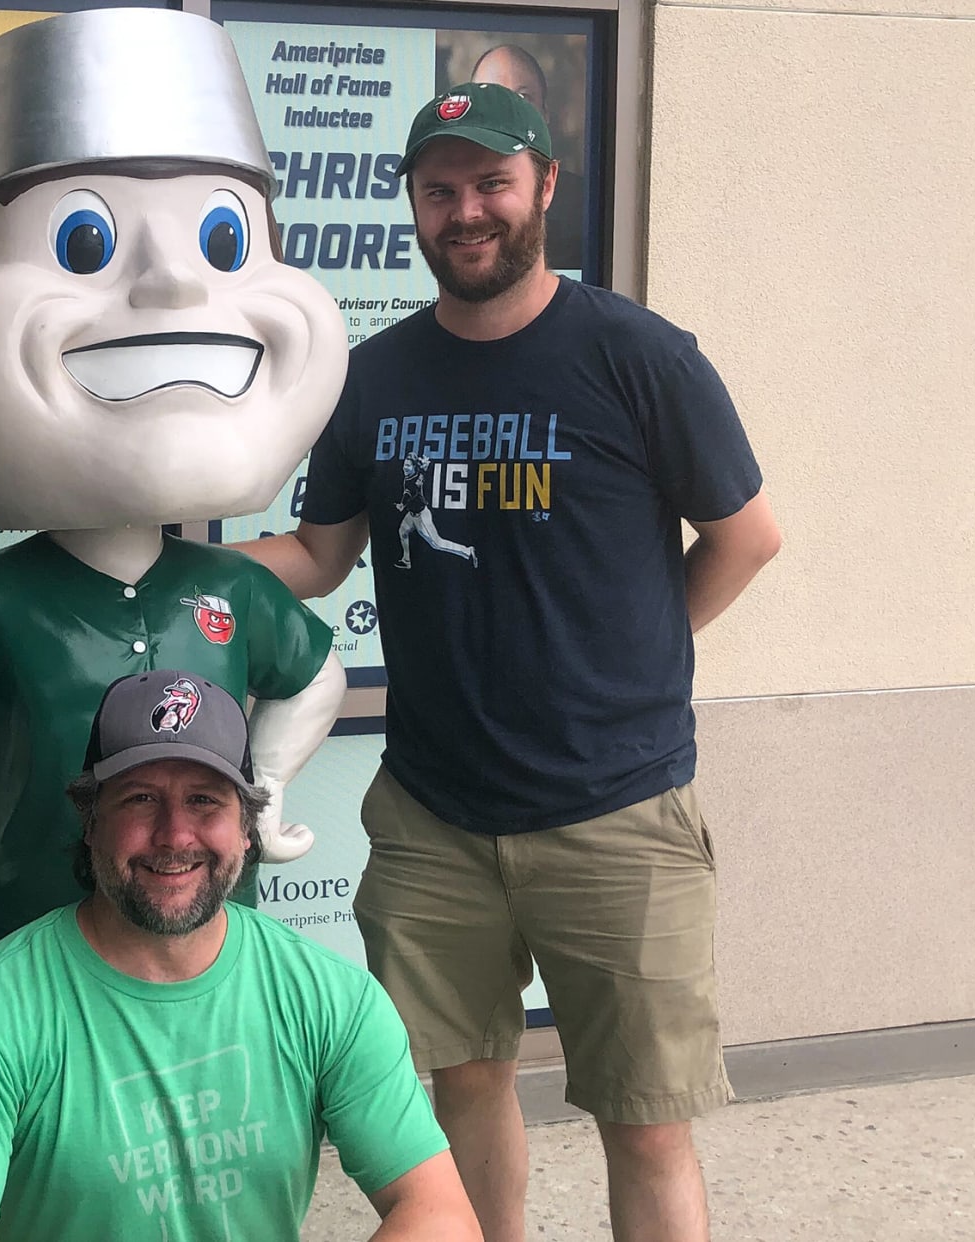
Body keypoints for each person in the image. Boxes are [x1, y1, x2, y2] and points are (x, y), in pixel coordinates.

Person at [244, 83, 782, 1242]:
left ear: (543, 185)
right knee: (463, 1084)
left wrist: (636, 652)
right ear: (416, 209)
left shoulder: (637, 355)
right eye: (439, 191)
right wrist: (183, 576)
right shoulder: (375, 378)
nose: (466, 211)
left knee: (646, 1121)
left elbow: (746, 537)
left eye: (490, 182)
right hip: (438, 814)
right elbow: (323, 552)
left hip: (618, 811)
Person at [0, 7, 352, 958]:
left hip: (204, 936)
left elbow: (316, 675)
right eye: (83, 242)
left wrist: (270, 782)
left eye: (221, 239)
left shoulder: (233, 589)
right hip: (30, 934)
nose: (172, 286)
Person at [0, 671, 480, 1242]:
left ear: (247, 828)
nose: (174, 835)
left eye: (204, 800)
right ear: (90, 823)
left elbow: (439, 1215)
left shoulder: (329, 997)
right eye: (141, 799)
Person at [469, 46, 586, 274]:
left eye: (523, 97)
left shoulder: (582, 205)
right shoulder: (446, 203)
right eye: (490, 97)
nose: (507, 113)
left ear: (545, 113)